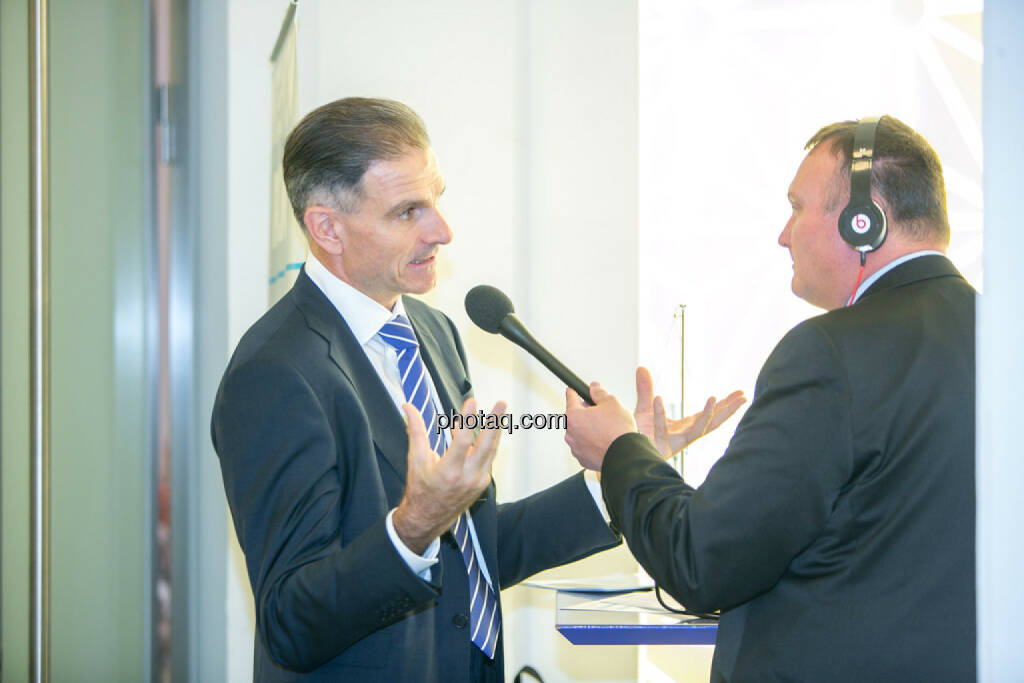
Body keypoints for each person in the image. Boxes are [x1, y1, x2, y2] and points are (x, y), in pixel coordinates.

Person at [211, 97, 738, 683]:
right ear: (327, 228)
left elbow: (474, 555)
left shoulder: (431, 331)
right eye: (408, 211)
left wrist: (620, 469)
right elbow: (291, 621)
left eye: (436, 199)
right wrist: (413, 525)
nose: (442, 231)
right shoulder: (276, 372)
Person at [564, 115, 976, 682]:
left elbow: (703, 562)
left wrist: (620, 452)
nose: (784, 234)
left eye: (797, 207)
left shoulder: (830, 355)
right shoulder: (1004, 338)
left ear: (864, 221)